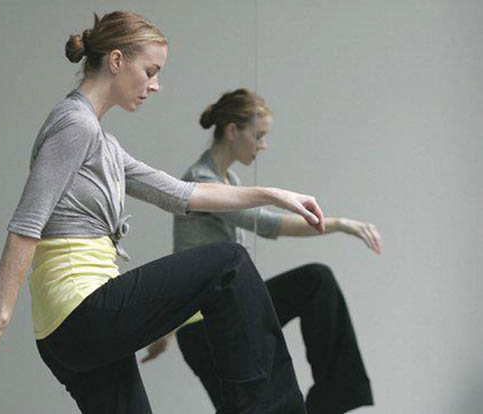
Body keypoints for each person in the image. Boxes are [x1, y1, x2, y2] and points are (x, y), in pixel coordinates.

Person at [0, 12, 327, 414]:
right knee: (230, 264)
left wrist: (272, 195)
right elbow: (27, 223)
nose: (155, 84)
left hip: (67, 333)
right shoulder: (75, 124)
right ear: (116, 60)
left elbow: (182, 194)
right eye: (150, 71)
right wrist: (0, 317)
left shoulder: (103, 144)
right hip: (83, 312)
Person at [142, 88, 380, 413]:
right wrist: (341, 224)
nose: (264, 145)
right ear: (232, 131)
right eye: (258, 136)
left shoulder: (229, 179)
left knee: (316, 281)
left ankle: (335, 396)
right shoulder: (200, 180)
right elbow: (266, 223)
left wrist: (168, 330)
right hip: (206, 331)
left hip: (227, 316)